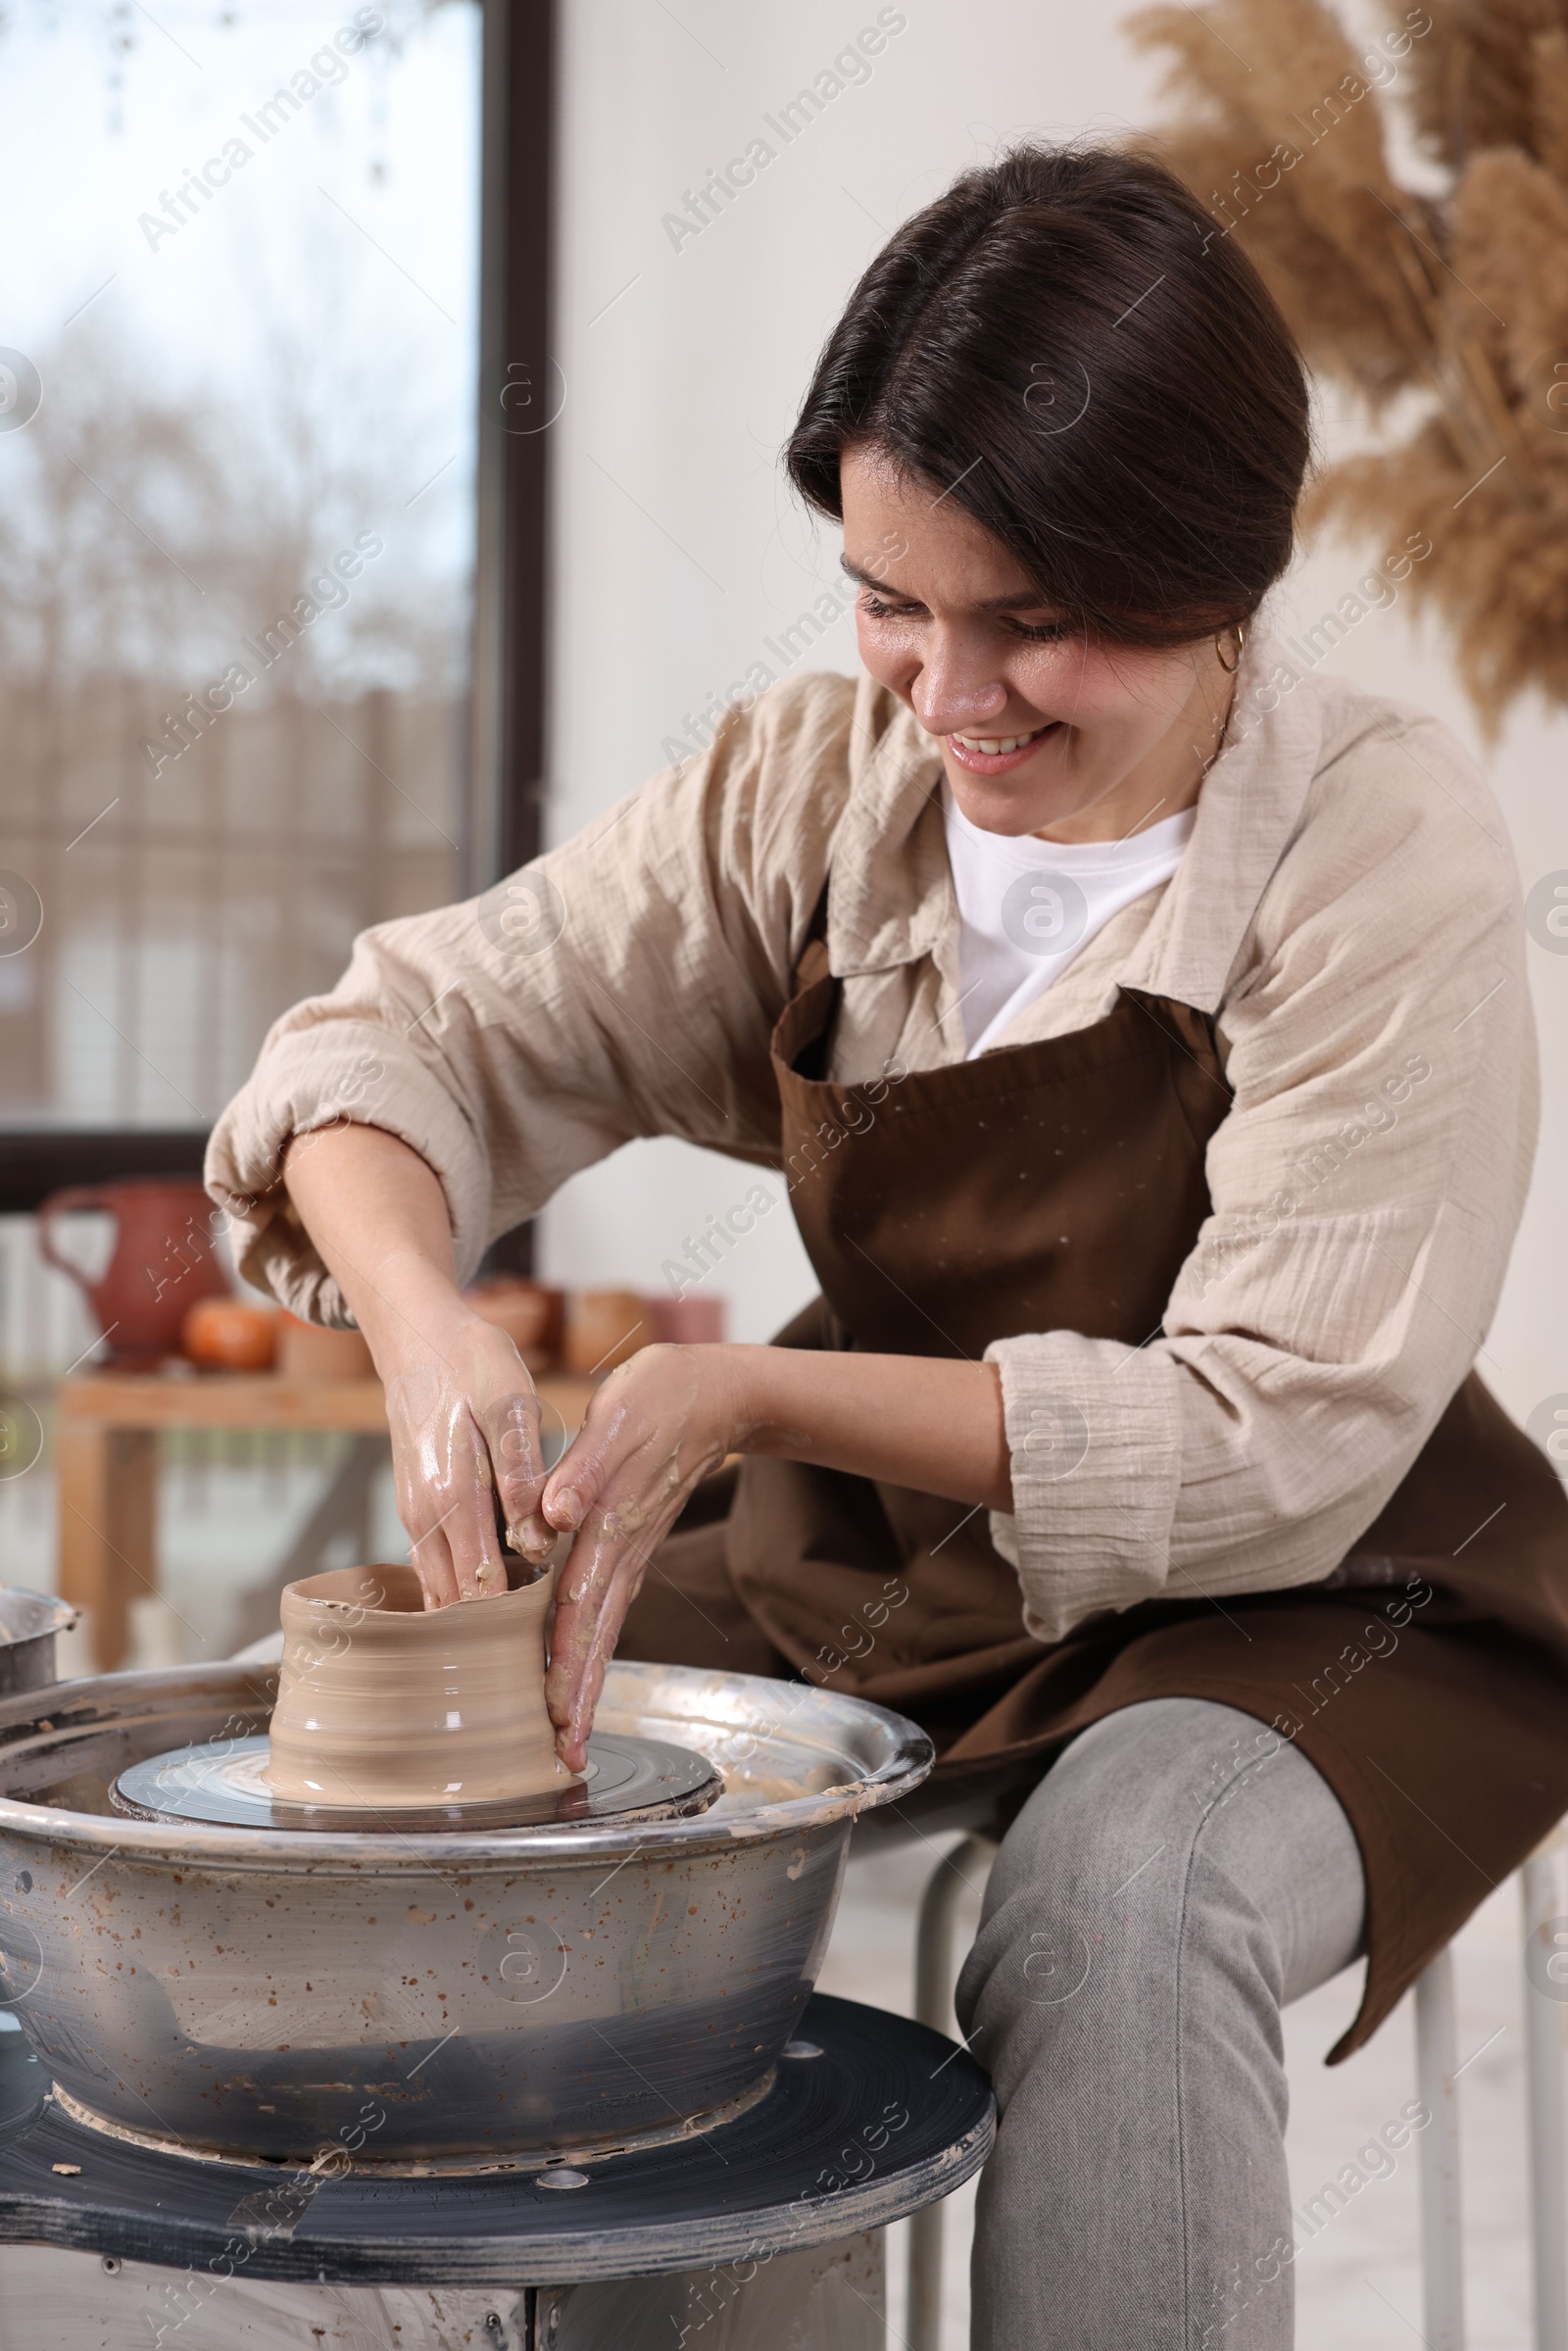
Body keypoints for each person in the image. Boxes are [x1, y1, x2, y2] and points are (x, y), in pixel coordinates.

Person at [209, 143, 1568, 2348]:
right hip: (882, 1567)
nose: (950, 696)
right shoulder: (809, 791)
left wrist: (747, 1389)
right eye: (887, 599)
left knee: (1116, 1896)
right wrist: (419, 1309)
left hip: (1321, 1595)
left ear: (1221, 570)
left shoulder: (1373, 847)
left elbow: (1266, 1439)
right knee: (623, 1861)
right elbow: (409, 1032)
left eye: (1035, 616)